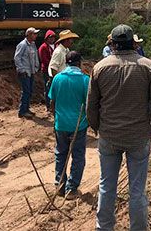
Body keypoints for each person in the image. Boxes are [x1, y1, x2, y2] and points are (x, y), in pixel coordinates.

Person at [88, 24, 151, 231]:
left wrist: (97, 128)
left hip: (109, 136)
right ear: (133, 43)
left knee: (106, 186)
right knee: (137, 191)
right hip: (138, 136)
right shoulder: (148, 66)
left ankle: (103, 227)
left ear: (112, 44)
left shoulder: (99, 68)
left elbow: (91, 105)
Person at [48, 51, 90, 200]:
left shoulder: (57, 79)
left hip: (61, 124)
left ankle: (60, 185)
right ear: (79, 62)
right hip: (78, 124)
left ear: (66, 62)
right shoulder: (85, 80)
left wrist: (56, 118)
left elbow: (52, 102)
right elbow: (89, 104)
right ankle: (71, 189)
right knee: (78, 156)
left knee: (60, 154)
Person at [14, 27, 40, 119]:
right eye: (34, 33)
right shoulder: (22, 45)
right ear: (29, 34)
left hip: (31, 71)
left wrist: (36, 67)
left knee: (30, 91)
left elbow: (35, 56)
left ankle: (26, 109)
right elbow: (17, 58)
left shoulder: (32, 44)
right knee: (26, 91)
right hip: (25, 72)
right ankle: (22, 111)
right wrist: (22, 70)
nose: (36, 35)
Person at [38, 30, 56, 112]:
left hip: (55, 70)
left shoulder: (56, 46)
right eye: (50, 37)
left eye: (53, 37)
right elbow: (44, 60)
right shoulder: (43, 47)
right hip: (46, 70)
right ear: (47, 38)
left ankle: (54, 104)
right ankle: (48, 105)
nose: (52, 39)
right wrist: (53, 64)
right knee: (48, 87)